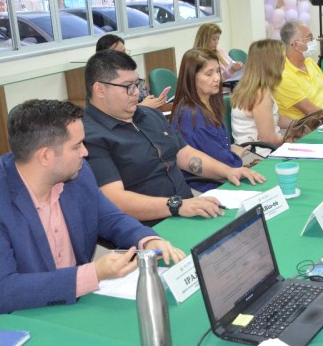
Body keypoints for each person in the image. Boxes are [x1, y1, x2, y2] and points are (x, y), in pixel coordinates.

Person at [0, 99, 184, 314]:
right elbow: (2, 290)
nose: (85, 152)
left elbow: (110, 219)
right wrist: (93, 273)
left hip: (67, 307)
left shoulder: (78, 175)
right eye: (77, 146)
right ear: (45, 156)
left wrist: (148, 240)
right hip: (4, 321)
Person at [81, 50, 264, 224]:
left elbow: (184, 154)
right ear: (99, 90)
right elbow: (115, 199)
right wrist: (177, 206)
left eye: (137, 84)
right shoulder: (89, 137)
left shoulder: (148, 115)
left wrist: (228, 171)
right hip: (150, 227)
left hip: (186, 210)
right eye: (128, 87)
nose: (136, 92)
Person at [171, 48, 249, 191]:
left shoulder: (210, 102)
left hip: (224, 174)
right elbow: (221, 160)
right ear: (191, 77)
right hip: (207, 185)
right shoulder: (190, 114)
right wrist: (235, 155)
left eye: (218, 71)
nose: (217, 78)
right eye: (209, 74)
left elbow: (214, 147)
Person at [273, 20, 323, 120]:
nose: (314, 41)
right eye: (310, 38)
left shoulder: (310, 62)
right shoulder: (283, 75)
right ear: (296, 44)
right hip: (308, 127)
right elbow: (309, 110)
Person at [230, 39, 292, 146]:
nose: (285, 62)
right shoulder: (260, 93)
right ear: (271, 64)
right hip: (259, 155)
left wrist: (300, 124)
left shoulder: (252, 88)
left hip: (255, 152)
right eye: (282, 58)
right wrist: (295, 138)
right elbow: (269, 141)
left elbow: (273, 119)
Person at [95, 34, 168, 109]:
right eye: (119, 54)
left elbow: (145, 98)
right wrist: (143, 106)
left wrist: (156, 102)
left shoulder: (129, 74)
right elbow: (113, 111)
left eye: (124, 52)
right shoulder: (103, 83)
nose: (125, 56)